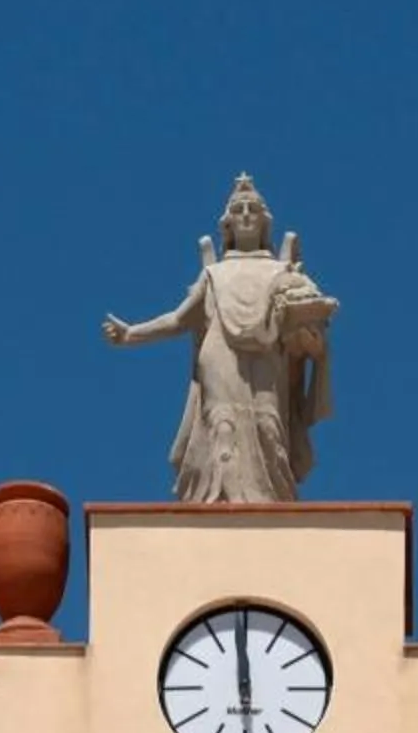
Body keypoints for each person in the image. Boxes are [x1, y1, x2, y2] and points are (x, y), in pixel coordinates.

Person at [102, 175, 338, 503]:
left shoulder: (282, 273)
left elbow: (309, 316)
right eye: (238, 209)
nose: (244, 214)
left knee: (269, 429)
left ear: (263, 221)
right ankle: (218, 504)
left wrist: (311, 329)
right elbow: (178, 319)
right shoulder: (214, 274)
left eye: (251, 209)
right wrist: (132, 334)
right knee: (223, 429)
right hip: (219, 355)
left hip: (266, 358)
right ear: (227, 224)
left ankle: (274, 509)